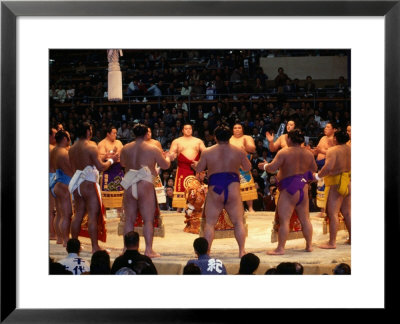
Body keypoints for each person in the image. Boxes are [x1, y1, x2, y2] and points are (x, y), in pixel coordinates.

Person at [192, 125, 251, 258]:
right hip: (233, 189)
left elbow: (199, 168)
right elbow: (247, 167)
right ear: (230, 136)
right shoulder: (239, 150)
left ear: (215, 137)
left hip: (215, 189)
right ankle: (242, 251)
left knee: (210, 223)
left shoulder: (207, 151)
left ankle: (206, 253)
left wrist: (196, 165)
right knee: (238, 222)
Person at [258, 129, 317, 255]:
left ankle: (280, 248)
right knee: (305, 219)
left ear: (289, 139)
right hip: (303, 188)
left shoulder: (284, 152)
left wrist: (264, 166)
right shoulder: (308, 154)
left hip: (289, 189)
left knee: (285, 220)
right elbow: (314, 170)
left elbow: (272, 168)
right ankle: (309, 246)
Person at [120, 124, 172, 258]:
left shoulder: (125, 148)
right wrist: (168, 158)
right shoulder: (153, 148)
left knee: (129, 220)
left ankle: (126, 248)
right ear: (145, 134)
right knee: (148, 220)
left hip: (130, 182)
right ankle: (148, 250)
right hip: (145, 183)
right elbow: (165, 165)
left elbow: (123, 164)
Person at [68, 122, 113, 253]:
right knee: (93, 216)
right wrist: (111, 161)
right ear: (88, 131)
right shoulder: (91, 145)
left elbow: (74, 168)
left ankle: (74, 247)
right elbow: (100, 167)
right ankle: (95, 247)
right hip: (89, 183)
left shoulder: (72, 148)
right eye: (91, 130)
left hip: (77, 184)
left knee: (78, 215)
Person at [314, 130, 351, 249]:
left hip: (336, 183)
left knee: (332, 213)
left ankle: (332, 242)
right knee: (347, 212)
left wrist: (317, 176)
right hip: (349, 182)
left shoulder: (332, 150)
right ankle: (352, 238)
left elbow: (328, 167)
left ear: (335, 139)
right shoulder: (351, 149)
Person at [169, 123, 206, 211]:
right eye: (186, 129)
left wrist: (200, 162)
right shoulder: (177, 141)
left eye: (190, 128)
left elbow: (205, 152)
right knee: (181, 189)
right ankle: (179, 209)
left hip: (196, 168)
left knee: (196, 190)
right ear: (182, 130)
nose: (188, 130)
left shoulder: (198, 141)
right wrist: (171, 155)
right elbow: (172, 153)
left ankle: (197, 208)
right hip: (182, 167)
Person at [50, 130, 74, 246]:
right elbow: (71, 170)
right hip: (64, 184)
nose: (69, 139)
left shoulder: (54, 150)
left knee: (59, 213)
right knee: (67, 214)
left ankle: (59, 238)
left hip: (56, 183)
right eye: (69, 137)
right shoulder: (64, 153)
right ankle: (65, 240)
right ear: (65, 139)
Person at [229, 123, 258, 212]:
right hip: (231, 165)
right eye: (235, 128)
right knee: (232, 187)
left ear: (242, 129)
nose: (237, 129)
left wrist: (245, 147)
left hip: (244, 163)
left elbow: (253, 149)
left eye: (239, 128)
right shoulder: (229, 139)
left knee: (247, 186)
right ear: (232, 130)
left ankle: (250, 207)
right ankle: (236, 207)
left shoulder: (247, 137)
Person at [315, 122, 337, 216]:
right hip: (320, 166)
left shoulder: (335, 140)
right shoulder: (323, 138)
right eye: (325, 127)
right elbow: (318, 150)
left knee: (327, 188)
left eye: (328, 127)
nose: (325, 128)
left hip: (328, 166)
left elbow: (335, 153)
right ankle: (322, 209)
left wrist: (321, 151)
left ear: (334, 129)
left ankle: (327, 210)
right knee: (320, 188)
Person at [49, 127, 58, 241]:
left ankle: (51, 232)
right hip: (52, 177)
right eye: (55, 135)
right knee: (53, 209)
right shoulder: (52, 149)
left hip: (50, 176)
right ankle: (52, 233)